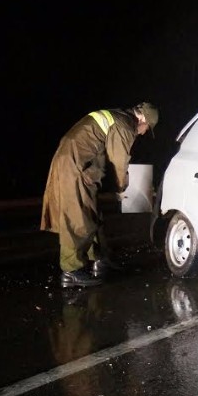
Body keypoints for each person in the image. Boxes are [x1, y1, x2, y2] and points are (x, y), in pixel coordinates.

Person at [41, 102, 159, 287]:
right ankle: (71, 271)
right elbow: (119, 162)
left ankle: (99, 259)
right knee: (78, 218)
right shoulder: (125, 126)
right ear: (142, 119)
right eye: (146, 128)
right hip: (76, 164)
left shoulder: (118, 117)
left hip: (76, 161)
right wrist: (122, 190)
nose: (143, 133)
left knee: (93, 214)